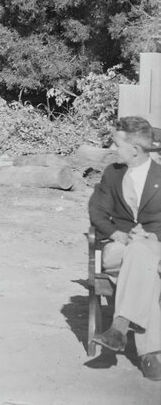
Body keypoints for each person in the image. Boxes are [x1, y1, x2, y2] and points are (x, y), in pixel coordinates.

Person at [88, 116, 161, 381]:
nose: (112, 148)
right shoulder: (113, 173)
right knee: (145, 264)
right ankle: (151, 353)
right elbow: (96, 211)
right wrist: (115, 233)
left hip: (155, 247)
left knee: (143, 254)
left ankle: (119, 328)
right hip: (119, 249)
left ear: (135, 149)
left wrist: (153, 236)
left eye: (117, 143)